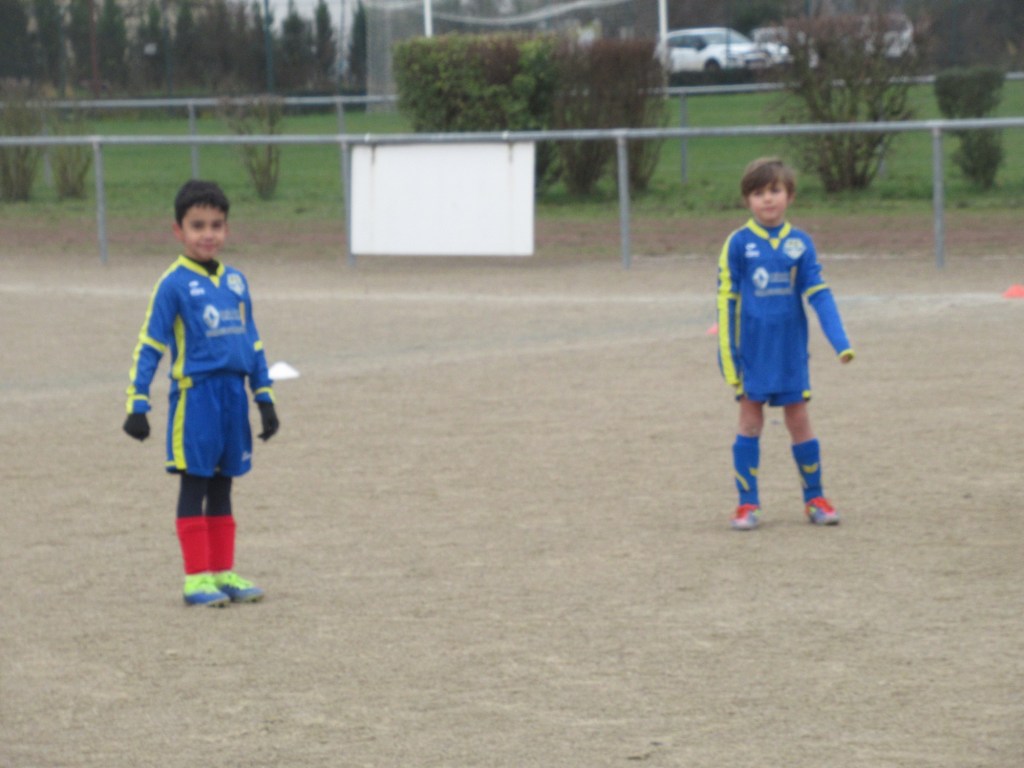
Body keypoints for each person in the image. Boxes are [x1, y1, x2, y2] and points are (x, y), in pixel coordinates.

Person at [122, 180, 280, 605]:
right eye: (197, 226)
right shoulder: (172, 284)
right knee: (195, 483)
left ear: (226, 228)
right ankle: (196, 579)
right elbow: (150, 344)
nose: (208, 234)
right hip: (196, 399)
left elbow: (251, 341)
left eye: (216, 225)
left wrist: (264, 397)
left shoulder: (237, 282)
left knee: (224, 485)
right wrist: (138, 403)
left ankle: (223, 572)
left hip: (233, 398)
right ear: (178, 230)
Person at [716, 157, 854, 531]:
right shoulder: (738, 244)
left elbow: (819, 293)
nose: (767, 199)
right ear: (747, 200)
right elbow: (726, 302)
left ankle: (815, 498)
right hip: (753, 352)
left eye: (775, 190)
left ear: (789, 196)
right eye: (758, 193)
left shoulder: (800, 243)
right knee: (750, 421)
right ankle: (747, 504)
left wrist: (840, 341)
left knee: (799, 419)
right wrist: (728, 359)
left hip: (790, 351)